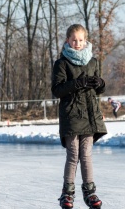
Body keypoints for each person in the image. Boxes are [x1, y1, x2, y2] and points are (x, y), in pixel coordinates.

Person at [51, 24, 107, 209]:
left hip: (90, 115)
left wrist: (100, 83)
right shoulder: (61, 63)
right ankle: (67, 193)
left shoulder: (93, 62)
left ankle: (90, 192)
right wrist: (77, 83)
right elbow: (57, 90)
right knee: (74, 154)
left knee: (87, 155)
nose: (77, 43)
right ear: (67, 40)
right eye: (74, 40)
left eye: (81, 40)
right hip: (71, 115)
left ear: (86, 40)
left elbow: (98, 90)